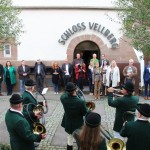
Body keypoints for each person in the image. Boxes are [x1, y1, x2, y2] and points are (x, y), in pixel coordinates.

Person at [60, 82, 88, 150]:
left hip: (68, 123)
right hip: (77, 124)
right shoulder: (81, 102)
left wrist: (72, 91)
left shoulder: (63, 98)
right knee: (80, 140)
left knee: (70, 138)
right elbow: (85, 113)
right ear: (74, 90)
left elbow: (66, 94)